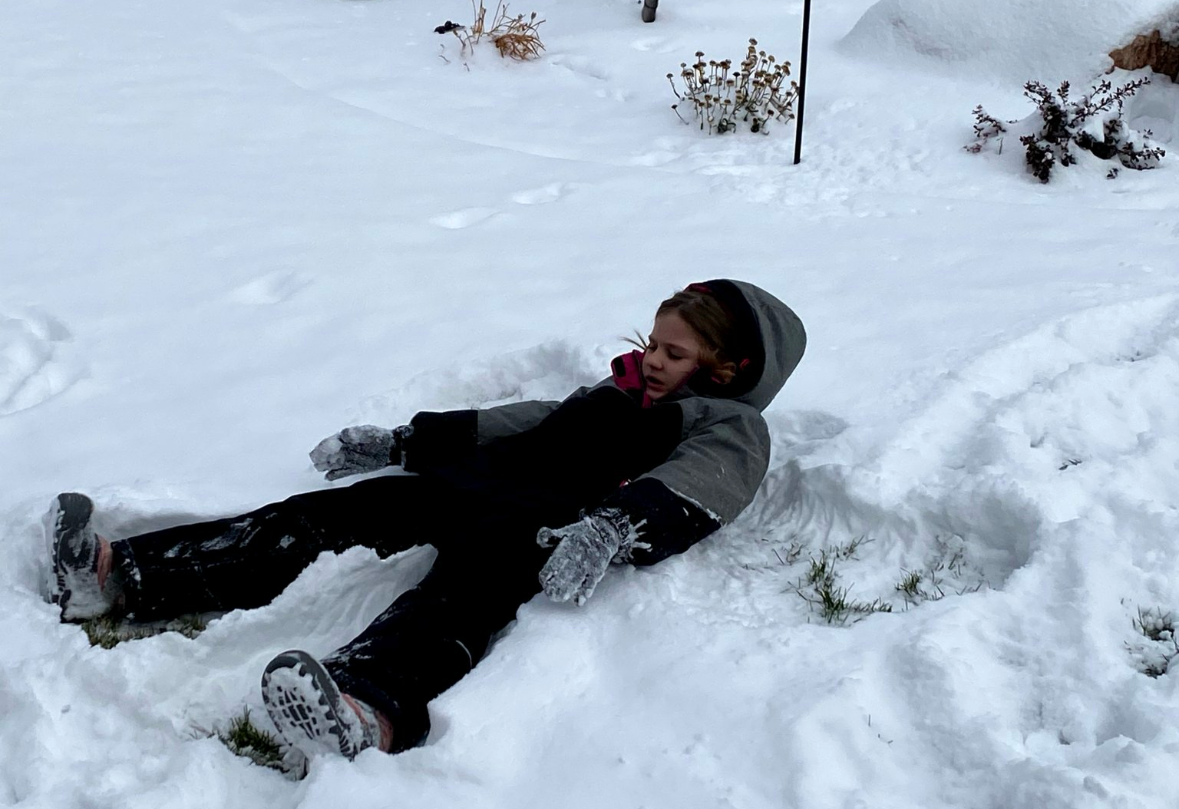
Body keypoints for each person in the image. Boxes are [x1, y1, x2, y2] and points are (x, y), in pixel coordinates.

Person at [47, 279, 806, 761]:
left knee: (462, 595)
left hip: (546, 522)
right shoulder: (618, 391)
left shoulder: (723, 422)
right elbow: (526, 417)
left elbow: (705, 483)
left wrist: (614, 527)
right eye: (651, 342)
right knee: (323, 516)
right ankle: (123, 574)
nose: (653, 359)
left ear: (727, 365)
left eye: (674, 352)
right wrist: (409, 439)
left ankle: (364, 705)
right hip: (480, 481)